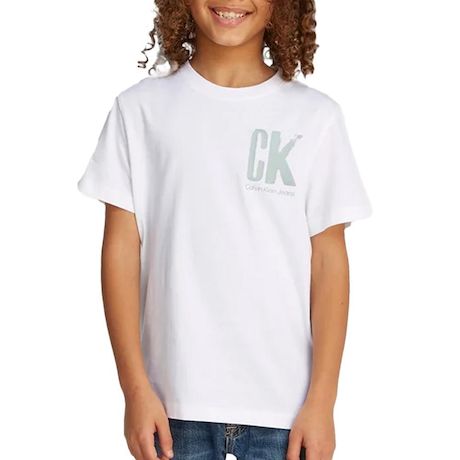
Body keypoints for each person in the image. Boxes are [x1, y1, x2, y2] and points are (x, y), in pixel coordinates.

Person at [77, 0, 372, 459]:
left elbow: (328, 263)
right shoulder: (139, 111)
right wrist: (134, 389)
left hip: (286, 413)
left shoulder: (315, 118)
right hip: (172, 408)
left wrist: (323, 400)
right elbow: (120, 252)